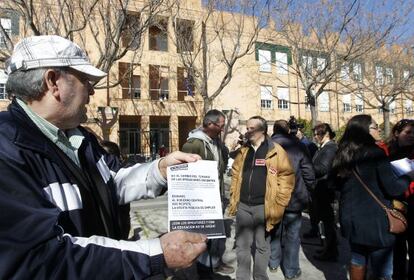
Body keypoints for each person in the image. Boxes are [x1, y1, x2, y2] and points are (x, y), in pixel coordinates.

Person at [0, 35, 207, 279]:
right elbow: (43, 256)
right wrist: (156, 253)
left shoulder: (80, 138)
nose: (91, 90)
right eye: (85, 80)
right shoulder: (7, 150)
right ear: (53, 82)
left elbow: (110, 183)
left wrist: (160, 170)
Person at [331, 115, 414, 280]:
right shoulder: (375, 153)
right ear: (365, 130)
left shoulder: (342, 153)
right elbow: (393, 188)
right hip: (376, 221)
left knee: (357, 259)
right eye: (375, 127)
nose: (378, 130)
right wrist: (409, 175)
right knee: (383, 270)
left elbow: (333, 184)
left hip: (351, 219)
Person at [228, 116, 295, 280]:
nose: (247, 131)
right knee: (243, 245)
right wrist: (233, 196)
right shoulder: (244, 151)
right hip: (243, 205)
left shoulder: (276, 151)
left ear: (262, 131)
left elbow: (287, 177)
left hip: (264, 207)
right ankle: (242, 276)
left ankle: (260, 276)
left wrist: (279, 203)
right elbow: (235, 173)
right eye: (247, 128)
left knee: (262, 246)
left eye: (251, 128)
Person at [181, 109, 234, 276]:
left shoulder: (216, 141)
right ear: (210, 124)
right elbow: (185, 173)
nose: (222, 129)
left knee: (217, 232)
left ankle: (215, 262)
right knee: (203, 234)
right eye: (221, 126)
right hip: (201, 199)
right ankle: (202, 268)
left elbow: (221, 166)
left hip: (216, 195)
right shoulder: (194, 144)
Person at [268, 120, 315, 279]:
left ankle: (273, 262)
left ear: (274, 130)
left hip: (273, 198)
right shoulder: (299, 146)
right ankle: (291, 270)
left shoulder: (266, 146)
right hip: (294, 197)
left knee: (274, 231)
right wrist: (309, 191)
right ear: (288, 130)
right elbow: (308, 172)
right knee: (293, 236)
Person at [385, 119, 414, 280]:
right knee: (398, 248)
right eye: (408, 133)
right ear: (396, 133)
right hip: (395, 206)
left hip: (412, 203)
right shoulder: (387, 152)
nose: (412, 136)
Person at [310, 123, 338, 261]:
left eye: (318, 134)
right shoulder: (324, 147)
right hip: (321, 189)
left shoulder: (330, 148)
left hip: (326, 190)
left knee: (328, 224)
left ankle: (331, 252)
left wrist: (305, 167)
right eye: (314, 134)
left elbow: (322, 168)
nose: (315, 137)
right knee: (325, 223)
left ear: (326, 134)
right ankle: (328, 248)